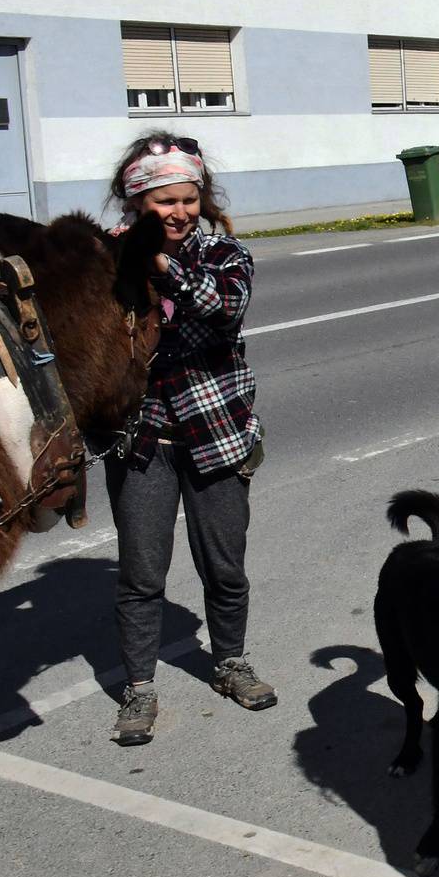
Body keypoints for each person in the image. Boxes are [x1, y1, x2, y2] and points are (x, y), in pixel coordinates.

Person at [104, 133, 273, 747]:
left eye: (188, 200)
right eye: (163, 203)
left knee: (224, 567)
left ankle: (229, 662)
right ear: (138, 203)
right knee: (142, 574)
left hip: (216, 431)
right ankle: (140, 688)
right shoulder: (110, 257)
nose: (178, 212)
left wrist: (159, 268)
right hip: (143, 437)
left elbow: (225, 309)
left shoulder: (225, 254)